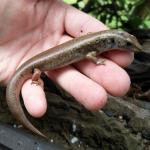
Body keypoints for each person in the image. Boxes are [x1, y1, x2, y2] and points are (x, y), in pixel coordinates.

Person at [0, 0, 134, 118]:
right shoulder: (97, 45)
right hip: (36, 67)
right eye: (128, 44)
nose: (132, 48)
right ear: (112, 41)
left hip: (37, 63)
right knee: (37, 72)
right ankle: (32, 82)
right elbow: (89, 55)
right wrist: (97, 61)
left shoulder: (99, 42)